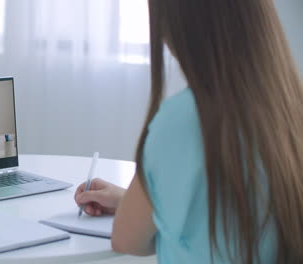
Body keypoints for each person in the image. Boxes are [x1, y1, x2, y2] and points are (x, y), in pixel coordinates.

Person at [74, 0, 303, 263]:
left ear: (178, 29)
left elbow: (127, 240)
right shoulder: (290, 105)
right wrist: (129, 200)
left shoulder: (182, 119)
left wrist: (131, 208)